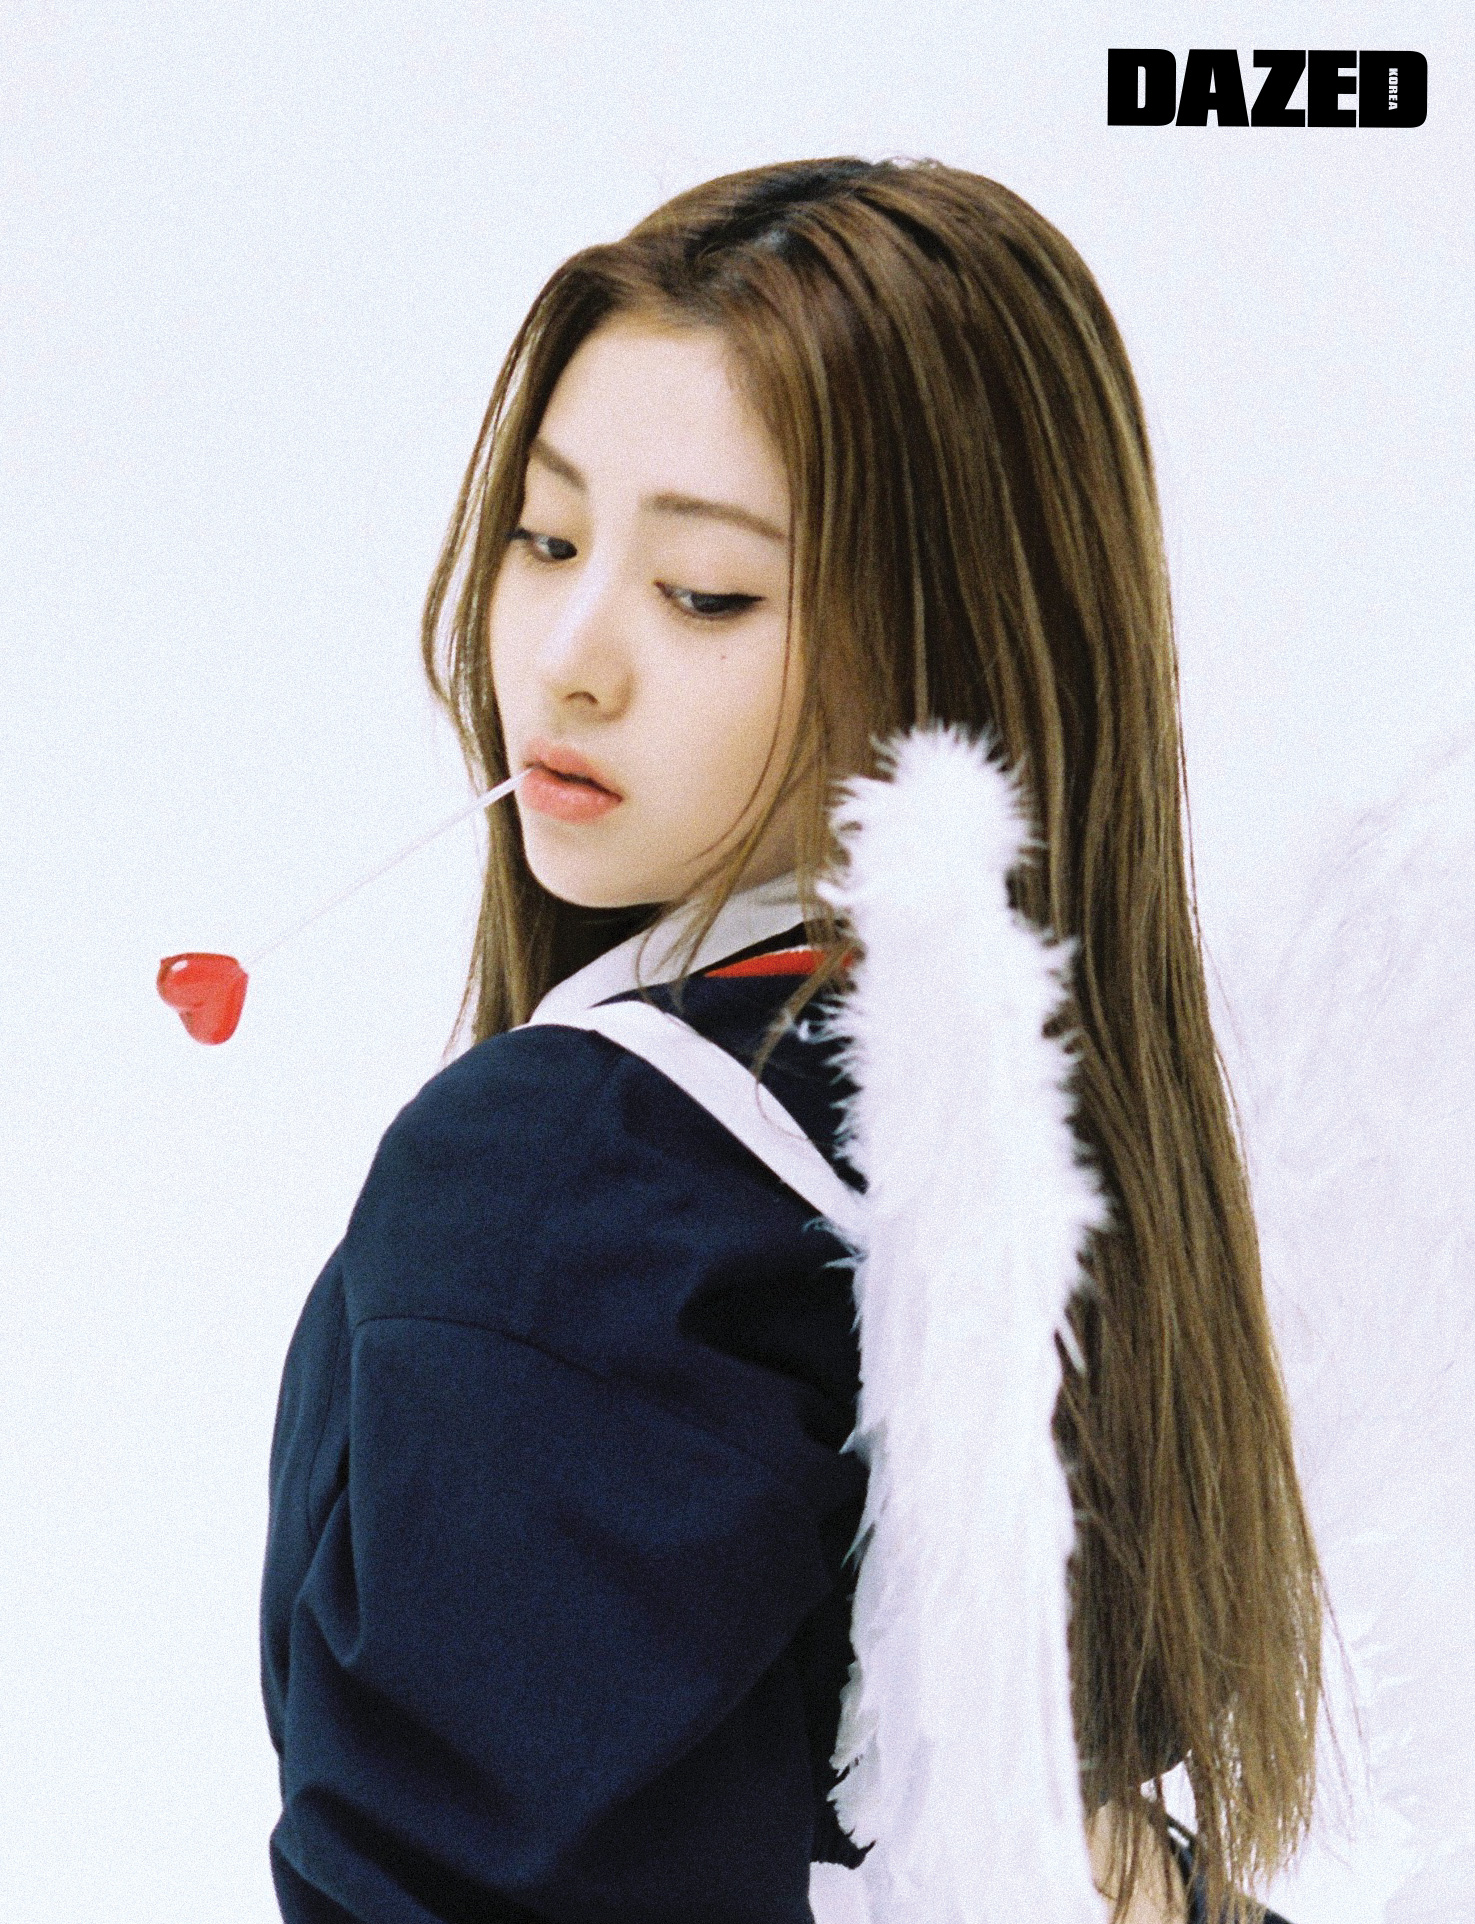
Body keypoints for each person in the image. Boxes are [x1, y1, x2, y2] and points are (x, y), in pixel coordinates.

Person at [261, 158, 1319, 1924]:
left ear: (943, 648)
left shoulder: (563, 1176)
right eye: (545, 539)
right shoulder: (1058, 1130)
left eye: (706, 593)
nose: (568, 659)